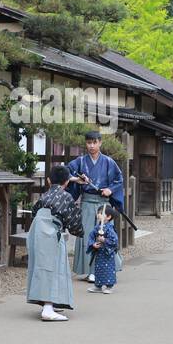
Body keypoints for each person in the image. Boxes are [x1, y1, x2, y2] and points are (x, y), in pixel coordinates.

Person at [26, 165, 84, 321]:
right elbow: (75, 224)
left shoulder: (44, 196)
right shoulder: (66, 197)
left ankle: (50, 302)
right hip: (51, 231)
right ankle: (48, 307)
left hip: (36, 230)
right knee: (51, 267)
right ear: (66, 183)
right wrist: (81, 233)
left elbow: (34, 212)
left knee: (42, 265)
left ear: (48, 181)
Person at [66, 131, 125, 281]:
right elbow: (64, 173)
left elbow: (119, 180)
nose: (91, 146)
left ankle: (104, 269)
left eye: (94, 142)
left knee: (103, 235)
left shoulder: (108, 162)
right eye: (88, 143)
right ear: (85, 144)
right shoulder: (80, 161)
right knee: (87, 235)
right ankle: (89, 270)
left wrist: (110, 190)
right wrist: (76, 179)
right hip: (87, 202)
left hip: (103, 203)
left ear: (100, 143)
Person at [87, 204, 120, 293]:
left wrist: (104, 240)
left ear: (108, 217)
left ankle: (109, 286)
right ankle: (98, 286)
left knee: (108, 269)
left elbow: (114, 240)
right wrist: (93, 244)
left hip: (107, 253)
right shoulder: (97, 227)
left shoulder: (110, 228)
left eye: (101, 213)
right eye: (98, 213)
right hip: (99, 252)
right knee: (98, 269)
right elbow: (91, 236)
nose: (98, 215)